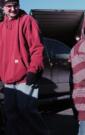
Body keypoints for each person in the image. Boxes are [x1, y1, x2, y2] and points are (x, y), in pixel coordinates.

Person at [0, 0, 49, 135]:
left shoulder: (27, 20)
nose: (12, 9)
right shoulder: (1, 27)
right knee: (11, 114)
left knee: (27, 111)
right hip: (8, 79)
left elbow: (37, 48)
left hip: (25, 76)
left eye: (15, 5)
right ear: (2, 7)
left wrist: (33, 70)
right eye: (8, 6)